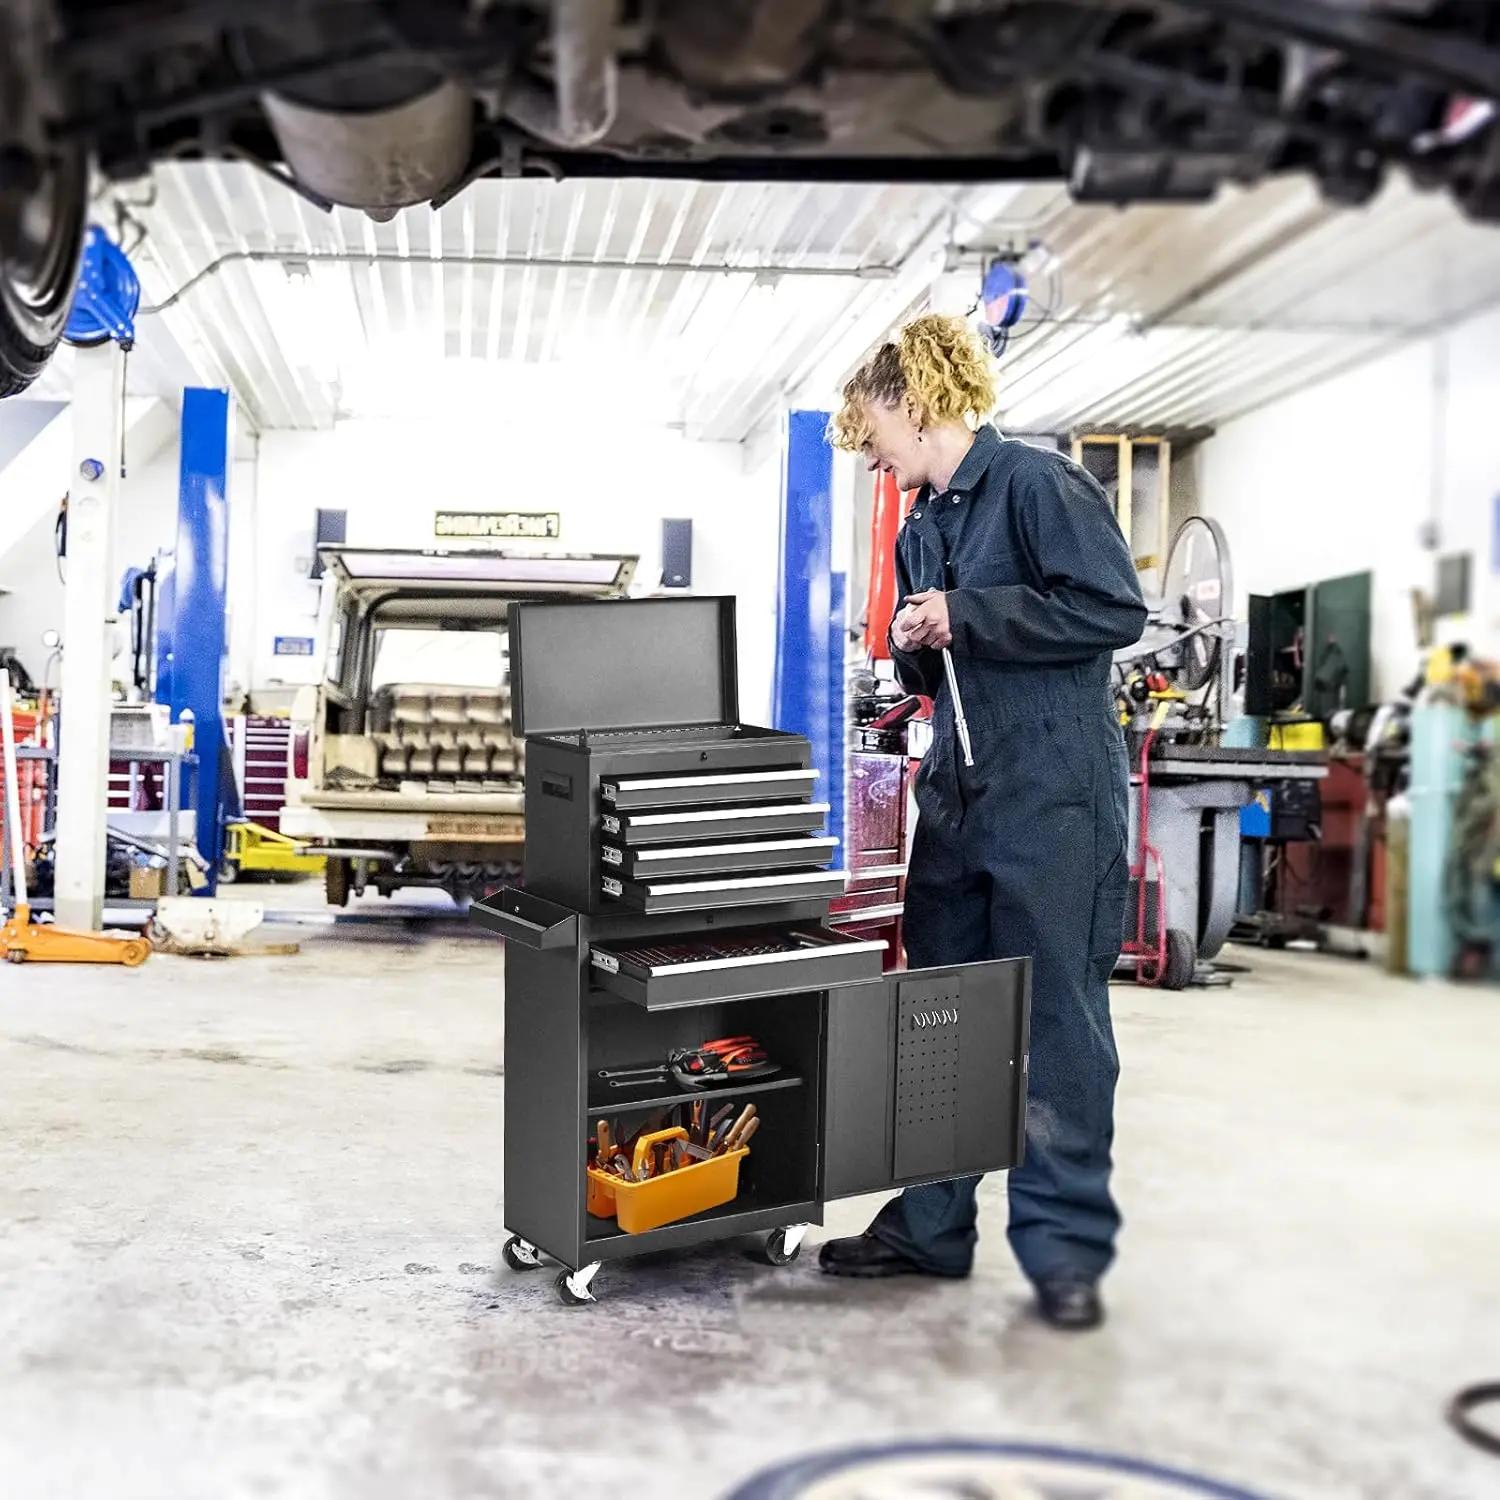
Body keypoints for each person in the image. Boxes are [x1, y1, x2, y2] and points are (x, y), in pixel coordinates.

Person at [819, 314, 1147, 1331]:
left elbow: (1112, 611)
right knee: (942, 1020)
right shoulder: (924, 523)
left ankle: (1063, 1257)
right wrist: (913, 643)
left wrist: (968, 616)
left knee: (1056, 1030)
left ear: (914, 405)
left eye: (875, 431)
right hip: (958, 803)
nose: (873, 455)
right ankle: (930, 1226)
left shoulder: (1039, 487)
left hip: (1053, 802)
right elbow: (939, 667)